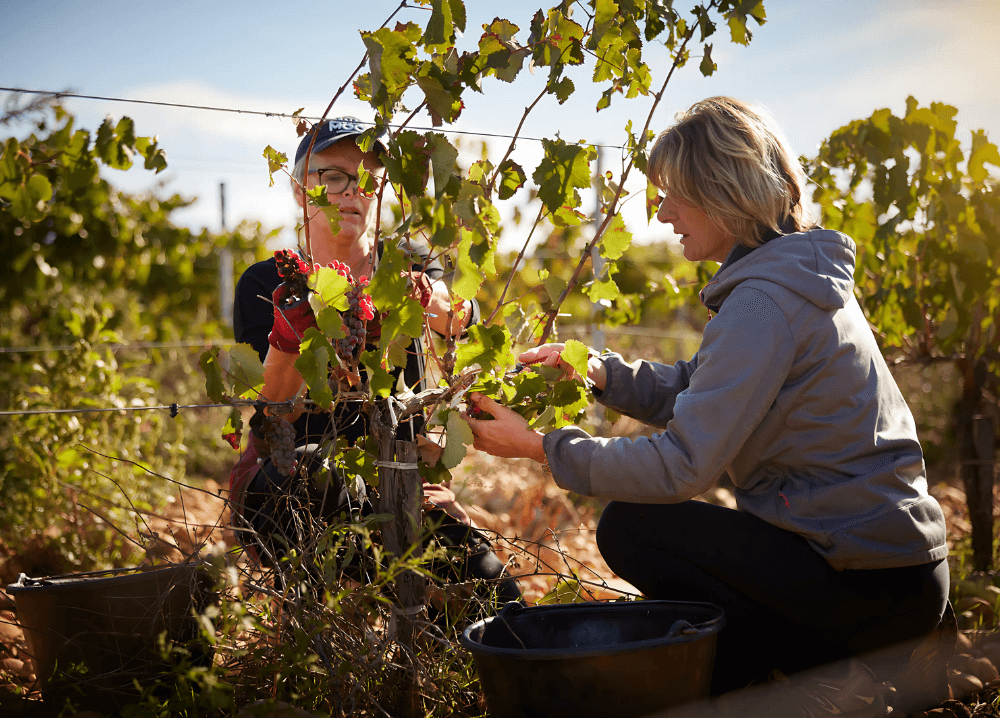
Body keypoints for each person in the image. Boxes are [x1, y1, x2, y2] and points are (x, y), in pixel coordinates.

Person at [463, 97, 949, 713]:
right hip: (893, 573)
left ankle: (813, 672)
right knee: (684, 576)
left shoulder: (762, 304)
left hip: (868, 589)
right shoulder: (795, 276)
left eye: (672, 195)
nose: (660, 214)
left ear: (723, 192)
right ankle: (760, 675)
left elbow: (681, 467)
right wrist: (600, 375)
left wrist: (538, 448)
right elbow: (705, 387)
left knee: (634, 527)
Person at [227, 116, 523, 609]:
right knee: (313, 477)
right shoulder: (269, 282)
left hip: (399, 474)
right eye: (334, 176)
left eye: (368, 179)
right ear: (302, 190)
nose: (352, 192)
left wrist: (444, 308)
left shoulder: (408, 262)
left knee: (498, 600)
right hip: (294, 476)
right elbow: (273, 406)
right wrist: (292, 337)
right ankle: (324, 618)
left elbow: (453, 315)